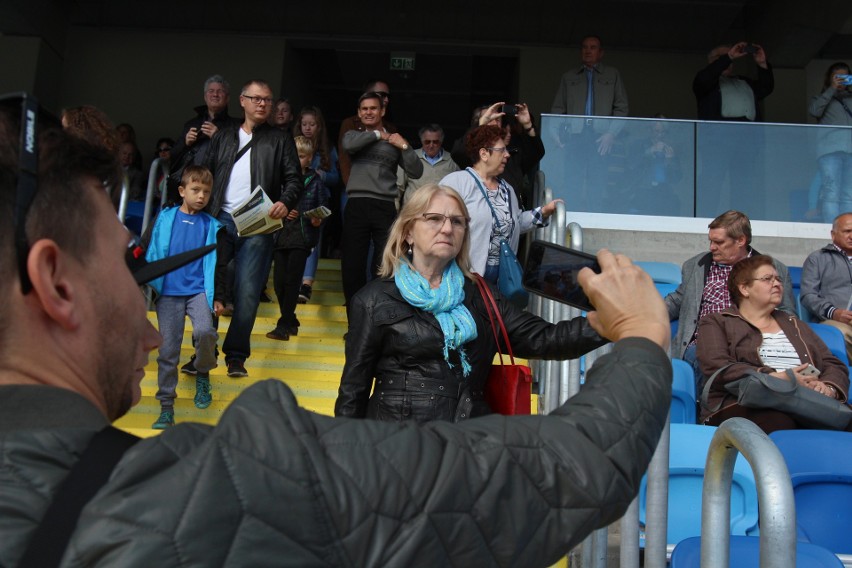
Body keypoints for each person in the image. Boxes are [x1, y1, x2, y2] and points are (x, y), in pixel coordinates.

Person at [0, 99, 674, 564]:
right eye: (130, 263)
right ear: (57, 284)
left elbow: (527, 336)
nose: (151, 335)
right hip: (395, 458)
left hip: (456, 440)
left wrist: (597, 328)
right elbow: (564, 468)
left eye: (457, 222)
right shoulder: (229, 484)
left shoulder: (473, 295)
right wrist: (642, 337)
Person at [335, 183, 607, 422]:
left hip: (466, 447)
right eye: (434, 218)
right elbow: (353, 391)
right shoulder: (372, 300)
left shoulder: (481, 295)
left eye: (457, 221)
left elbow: (545, 338)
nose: (447, 228)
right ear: (407, 232)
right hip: (398, 450)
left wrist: (610, 321)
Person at [202, 79, 303, 377]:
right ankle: (204, 353)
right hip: (220, 218)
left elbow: (294, 179)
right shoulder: (223, 137)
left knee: (247, 291)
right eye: (256, 99)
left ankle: (236, 355)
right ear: (242, 101)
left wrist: (285, 201)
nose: (262, 104)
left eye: (267, 100)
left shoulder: (280, 139)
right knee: (211, 290)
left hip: (259, 222)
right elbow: (204, 173)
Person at [697, 255, 849, 434]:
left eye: (778, 279)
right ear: (744, 288)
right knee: (777, 420)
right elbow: (718, 366)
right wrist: (781, 378)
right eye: (767, 279)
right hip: (741, 403)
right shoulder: (716, 322)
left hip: (805, 401)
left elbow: (833, 363)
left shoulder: (792, 322)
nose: (777, 283)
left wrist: (828, 388)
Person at [665, 210, 795, 380]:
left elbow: (788, 313)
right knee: (707, 359)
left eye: (718, 242)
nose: (712, 247)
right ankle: (711, 405)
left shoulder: (773, 269)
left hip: (753, 343)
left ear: (741, 240)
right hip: (704, 344)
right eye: (710, 241)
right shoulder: (695, 266)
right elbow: (678, 299)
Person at [145, 165, 223, 428]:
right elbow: (149, 250)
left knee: (205, 332)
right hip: (167, 293)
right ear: (182, 191)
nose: (201, 196)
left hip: (199, 291)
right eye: (195, 190)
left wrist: (219, 296)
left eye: (206, 192)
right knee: (167, 350)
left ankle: (203, 371)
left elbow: (219, 264)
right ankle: (167, 406)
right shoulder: (165, 219)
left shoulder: (212, 225)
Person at [440, 125, 561, 281]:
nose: (507, 155)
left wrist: (543, 212)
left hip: (502, 278)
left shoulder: (507, 189)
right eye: (501, 150)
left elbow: (514, 223)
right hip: (466, 277)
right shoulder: (456, 183)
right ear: (484, 153)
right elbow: (437, 222)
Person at [340, 91, 422, 318]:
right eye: (364, 109)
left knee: (384, 264)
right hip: (356, 204)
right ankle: (354, 320)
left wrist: (403, 145)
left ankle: (375, 318)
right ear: (359, 113)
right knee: (352, 265)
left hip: (384, 206)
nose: (368, 112)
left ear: (382, 111)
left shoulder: (395, 141)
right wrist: (379, 134)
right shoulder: (353, 136)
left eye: (373, 108)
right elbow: (348, 145)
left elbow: (416, 171)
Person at [549, 35, 629, 212]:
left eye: (593, 47)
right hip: (575, 136)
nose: (588, 50)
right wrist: (555, 134)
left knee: (598, 181)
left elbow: (622, 108)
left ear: (600, 53)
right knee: (572, 181)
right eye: (585, 47)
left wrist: (611, 134)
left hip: (601, 137)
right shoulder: (569, 77)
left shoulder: (612, 74)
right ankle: (572, 217)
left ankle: (595, 218)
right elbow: (557, 109)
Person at [693, 42, 774, 214]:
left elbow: (766, 88)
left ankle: (738, 223)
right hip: (717, 140)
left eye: (729, 58)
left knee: (743, 184)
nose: (727, 61)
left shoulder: (743, 81)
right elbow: (705, 79)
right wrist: (728, 56)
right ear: (711, 61)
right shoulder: (706, 82)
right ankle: (704, 220)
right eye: (720, 58)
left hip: (746, 140)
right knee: (712, 182)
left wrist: (762, 64)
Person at [266, 136, 330, 341]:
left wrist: (314, 218)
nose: (297, 160)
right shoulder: (280, 180)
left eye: (301, 156)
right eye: (294, 156)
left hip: (302, 236)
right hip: (281, 234)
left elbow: (324, 206)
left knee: (292, 281)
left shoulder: (315, 181)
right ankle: (291, 319)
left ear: (310, 159)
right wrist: (282, 211)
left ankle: (284, 324)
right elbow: (269, 204)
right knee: (278, 283)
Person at [451, 102, 545, 209]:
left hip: (511, 216)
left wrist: (528, 126)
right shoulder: (472, 153)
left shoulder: (511, 154)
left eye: (497, 119)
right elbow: (457, 153)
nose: (494, 123)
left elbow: (537, 152)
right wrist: (480, 127)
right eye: (489, 119)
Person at [293, 105, 340, 303]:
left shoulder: (327, 149)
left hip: (319, 202)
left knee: (313, 242)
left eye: (312, 124)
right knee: (294, 242)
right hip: (295, 201)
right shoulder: (291, 145)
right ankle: (293, 281)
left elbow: (337, 178)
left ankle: (306, 285)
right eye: (304, 124)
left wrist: (323, 175)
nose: (308, 128)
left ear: (319, 126)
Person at [168, 74, 239, 203]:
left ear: (227, 98)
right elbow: (172, 156)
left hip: (216, 188)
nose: (215, 95)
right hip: (187, 186)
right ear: (205, 97)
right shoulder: (191, 124)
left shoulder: (235, 126)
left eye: (220, 91)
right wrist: (186, 142)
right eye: (211, 91)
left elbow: (238, 159)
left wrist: (219, 138)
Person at [801, 212, 852, 361]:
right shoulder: (818, 259)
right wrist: (833, 312)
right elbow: (808, 295)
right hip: (834, 321)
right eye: (847, 231)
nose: (851, 236)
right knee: (840, 333)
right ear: (833, 234)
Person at [808, 62, 852, 222]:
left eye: (845, 77)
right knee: (831, 193)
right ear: (830, 79)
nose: (841, 81)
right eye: (837, 77)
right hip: (830, 151)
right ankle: (831, 232)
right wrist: (832, 88)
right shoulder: (822, 98)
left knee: (849, 195)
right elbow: (814, 111)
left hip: (851, 152)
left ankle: (848, 231)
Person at [337, 79, 396, 187]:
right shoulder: (350, 124)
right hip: (355, 188)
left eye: (388, 96)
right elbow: (344, 158)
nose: (386, 99)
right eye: (382, 95)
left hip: (381, 189)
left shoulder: (390, 127)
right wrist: (350, 186)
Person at [399, 123, 459, 204]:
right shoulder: (410, 157)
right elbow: (398, 188)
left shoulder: (452, 161)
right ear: (421, 141)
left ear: (441, 142)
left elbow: (459, 190)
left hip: (441, 211)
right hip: (413, 211)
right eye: (427, 142)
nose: (431, 145)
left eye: (435, 142)